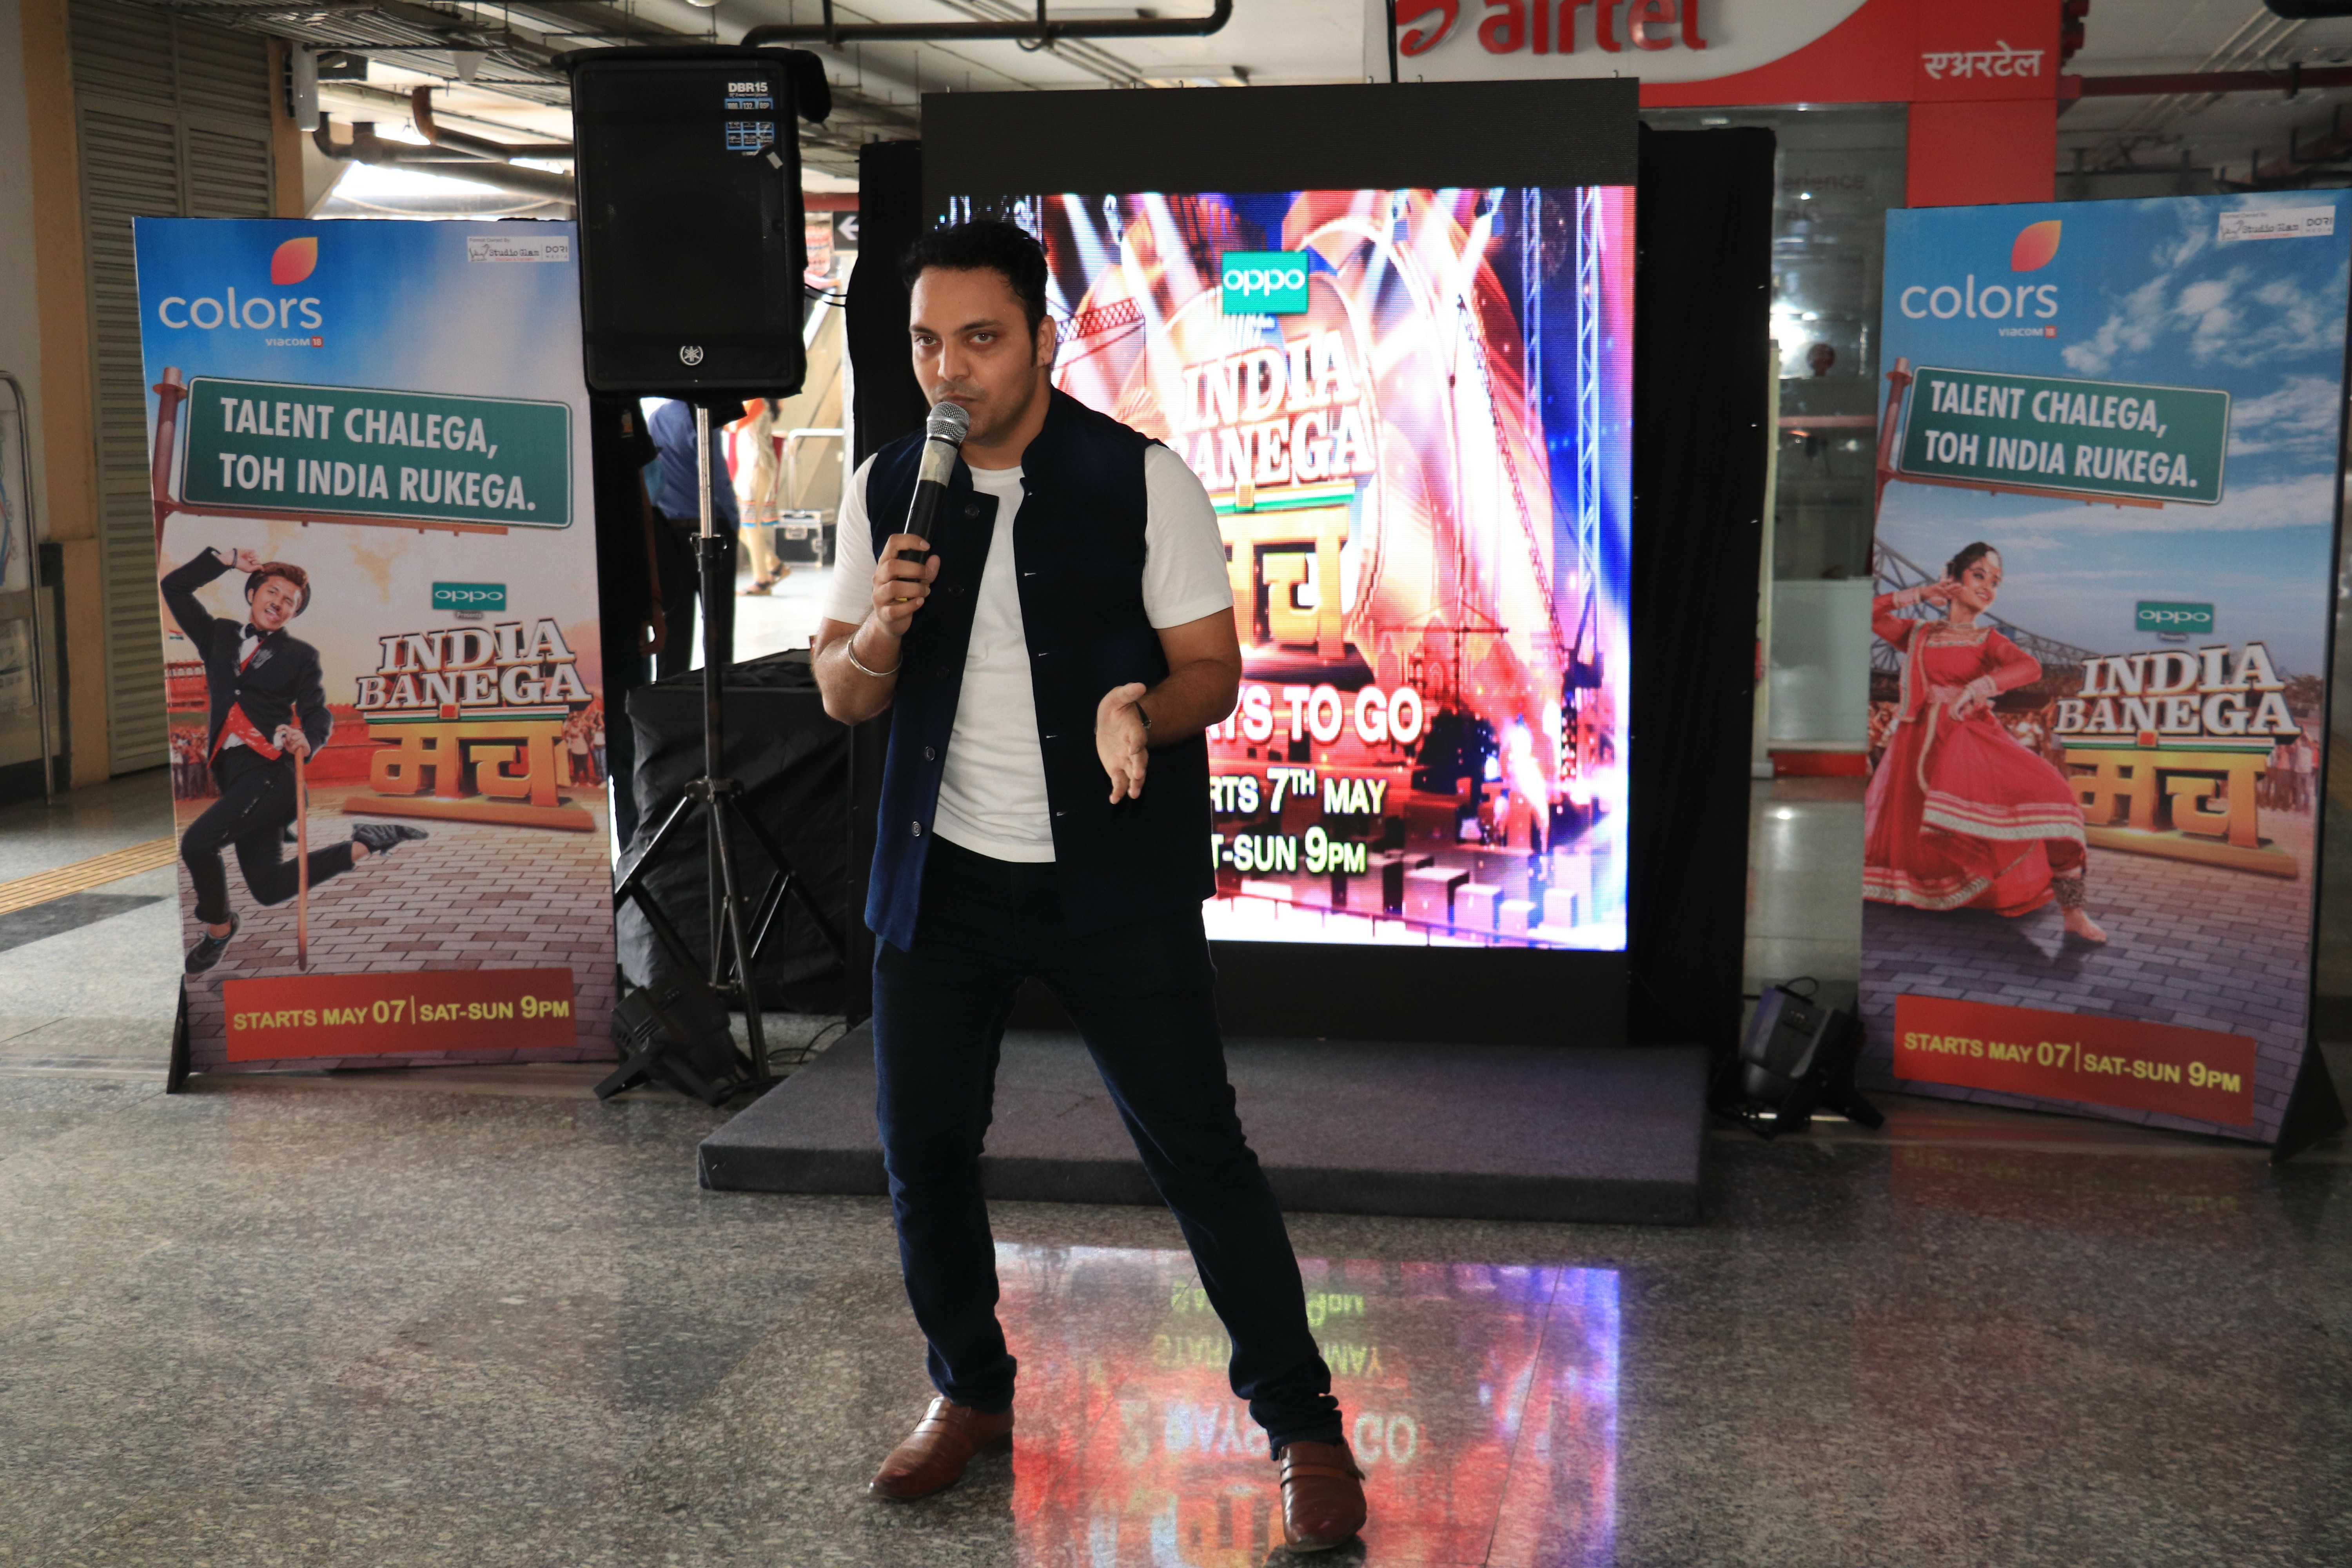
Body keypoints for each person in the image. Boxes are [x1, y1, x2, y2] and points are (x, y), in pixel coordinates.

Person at [811, 220, 1367, 1552]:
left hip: (1111, 878)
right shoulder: (890, 486)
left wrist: (1139, 710)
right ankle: (970, 1392)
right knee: (922, 1153)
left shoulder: (1142, 480)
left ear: (1044, 342)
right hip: (942, 876)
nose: (950, 371)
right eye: (927, 343)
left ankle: (1303, 1426)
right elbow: (842, 693)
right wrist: (884, 622)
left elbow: (1211, 670)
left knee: (1200, 1153)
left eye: (981, 340)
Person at [162, 546, 427, 974]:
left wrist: (310, 737)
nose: (280, 603)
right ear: (253, 593)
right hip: (237, 777)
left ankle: (218, 930)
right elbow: (174, 587)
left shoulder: (299, 655)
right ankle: (369, 841)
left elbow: (317, 711)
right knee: (268, 888)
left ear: (294, 613)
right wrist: (227, 560)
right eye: (273, 592)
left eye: (291, 601)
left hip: (271, 772)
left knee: (197, 843)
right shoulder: (218, 635)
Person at [1864, 543, 2105, 943]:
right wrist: (1921, 593)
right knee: (1921, 835)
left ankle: (2074, 912)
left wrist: (1979, 687)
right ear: (1952, 577)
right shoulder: (1918, 634)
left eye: (1995, 581)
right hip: (1917, 746)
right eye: (1979, 575)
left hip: (1970, 742)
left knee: (2055, 797)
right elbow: (1868, 613)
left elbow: (2030, 667)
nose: (1988, 587)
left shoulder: (1987, 639)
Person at [589, 394, 666, 845]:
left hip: (618, 594)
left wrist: (652, 596)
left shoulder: (614, 390)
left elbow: (642, 501)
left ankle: (636, 861)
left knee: (626, 743)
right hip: (553, 595)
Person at [648, 397, 740, 679]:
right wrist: (733, 520)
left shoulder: (657, 418)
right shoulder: (704, 415)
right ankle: (719, 684)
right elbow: (716, 476)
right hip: (711, 529)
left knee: (674, 618)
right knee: (717, 618)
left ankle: (671, 688)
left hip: (669, 530)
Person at [731, 397, 790, 595]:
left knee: (749, 525)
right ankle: (774, 565)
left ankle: (762, 580)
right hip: (750, 469)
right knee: (742, 527)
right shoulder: (753, 402)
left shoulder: (756, 401)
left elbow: (734, 424)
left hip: (756, 469)